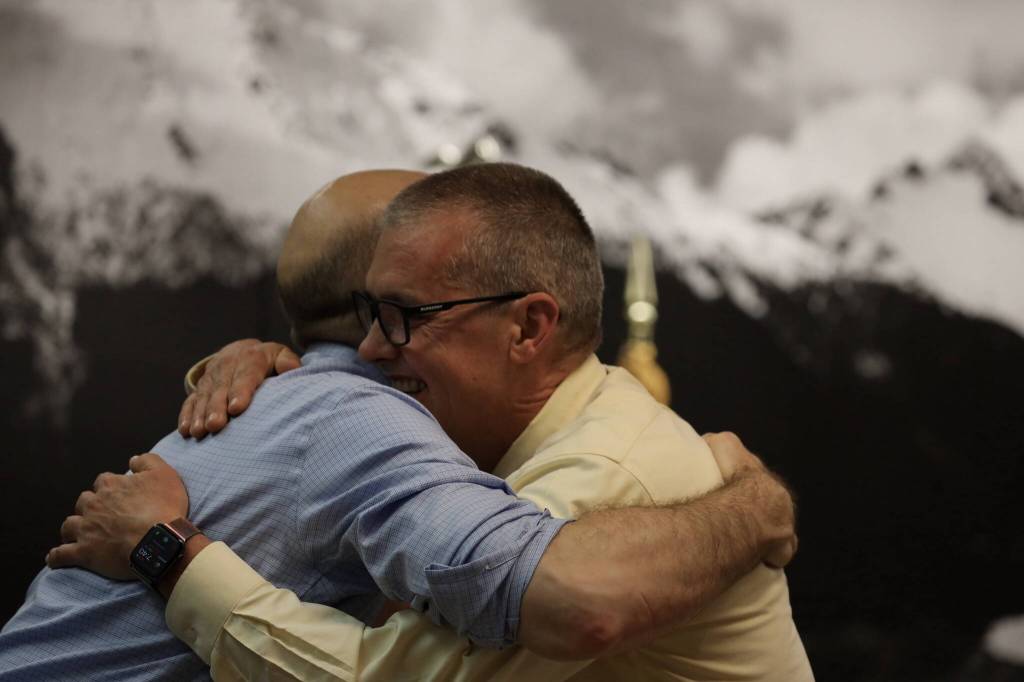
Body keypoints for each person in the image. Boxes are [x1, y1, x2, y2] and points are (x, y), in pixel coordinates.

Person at [46, 165, 808, 680]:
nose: (372, 347)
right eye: (369, 314)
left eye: (406, 316)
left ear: (529, 328)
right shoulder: (487, 434)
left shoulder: (606, 479)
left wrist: (169, 555)